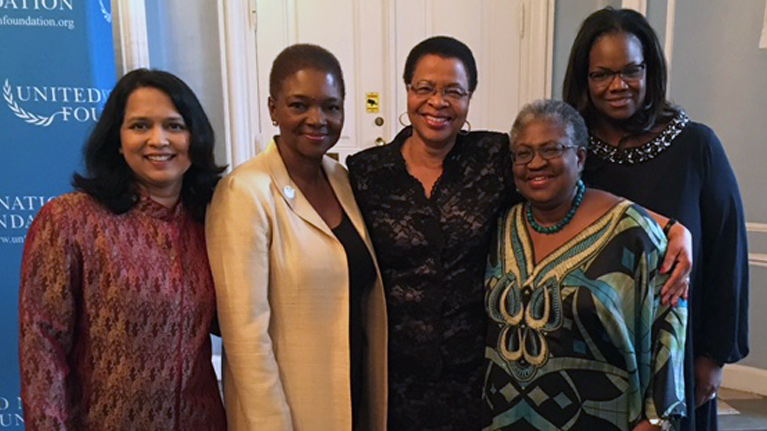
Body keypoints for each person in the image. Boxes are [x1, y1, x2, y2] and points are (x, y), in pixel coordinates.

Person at [348, 36, 689, 431]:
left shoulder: (492, 157)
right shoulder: (367, 172)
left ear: (470, 97)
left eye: (453, 91)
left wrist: (669, 225)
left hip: (479, 382)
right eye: (424, 88)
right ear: (407, 90)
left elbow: (569, 188)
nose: (437, 102)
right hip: (395, 378)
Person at [562, 8, 749, 431]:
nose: (617, 86)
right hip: (586, 351)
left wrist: (712, 357)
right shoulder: (569, 151)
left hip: (675, 350)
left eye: (631, 70)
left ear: (651, 70)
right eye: (601, 74)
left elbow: (726, 255)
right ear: (583, 78)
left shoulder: (695, 145)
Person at [18, 69, 227, 431]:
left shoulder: (214, 220)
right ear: (117, 138)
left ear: (195, 137)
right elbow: (42, 347)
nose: (159, 140)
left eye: (175, 126)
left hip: (201, 421)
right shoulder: (70, 221)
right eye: (140, 126)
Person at [205, 44, 387, 431]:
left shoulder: (341, 179)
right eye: (299, 105)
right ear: (273, 108)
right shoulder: (245, 192)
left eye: (331, 106)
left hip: (352, 396)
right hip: (291, 410)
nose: (317, 119)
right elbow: (244, 336)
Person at [483, 99, 687, 431]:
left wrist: (655, 419)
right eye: (523, 153)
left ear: (579, 157)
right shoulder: (501, 224)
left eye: (551, 149)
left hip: (604, 418)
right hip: (504, 418)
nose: (535, 163)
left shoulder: (632, 231)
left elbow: (669, 330)